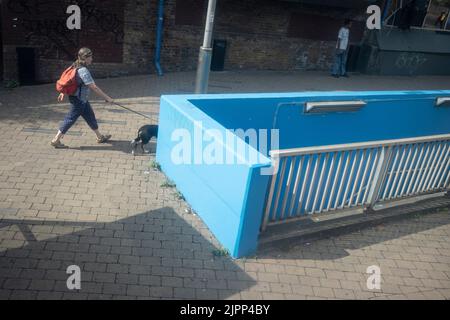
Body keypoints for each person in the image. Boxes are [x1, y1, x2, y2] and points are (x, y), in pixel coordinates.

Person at [51, 47, 113, 148]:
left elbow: (68, 80)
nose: (92, 59)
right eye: (90, 57)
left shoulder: (75, 64)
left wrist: (63, 92)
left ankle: (99, 136)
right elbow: (94, 87)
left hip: (80, 99)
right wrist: (107, 98)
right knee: (70, 119)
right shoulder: (83, 70)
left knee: (90, 116)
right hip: (79, 100)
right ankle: (56, 140)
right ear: (85, 58)